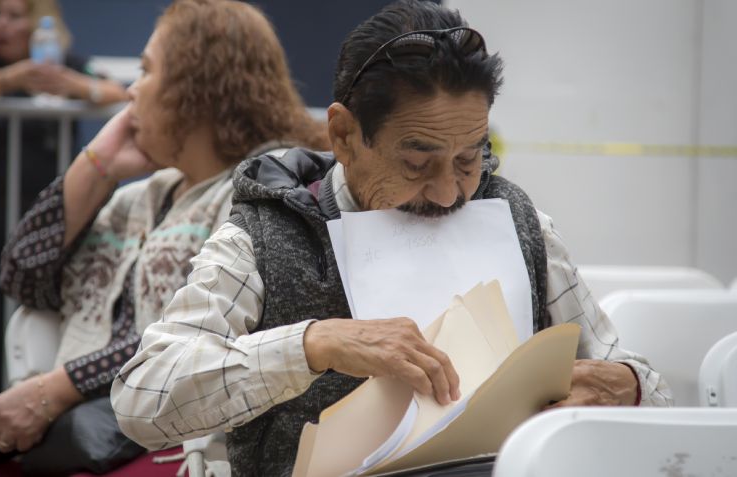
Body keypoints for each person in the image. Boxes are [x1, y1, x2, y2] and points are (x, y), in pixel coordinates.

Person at [110, 1, 674, 475]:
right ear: (344, 135)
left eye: (470, 157)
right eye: (417, 161)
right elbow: (142, 399)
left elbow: (647, 382)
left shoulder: (517, 221)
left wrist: (624, 387)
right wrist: (312, 345)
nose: (450, 192)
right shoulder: (264, 234)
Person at [0, 0, 328, 461]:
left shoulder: (256, 194)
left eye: (145, 72)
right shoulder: (144, 196)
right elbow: (22, 276)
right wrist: (96, 166)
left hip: (175, 451)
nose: (130, 92)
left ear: (193, 89)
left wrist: (56, 389)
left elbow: (177, 339)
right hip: (88, 445)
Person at [0, 0, 128, 391]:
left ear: (40, 23)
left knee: (41, 330)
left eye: (15, 16)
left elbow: (117, 92)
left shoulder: (66, 63)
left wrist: (73, 85)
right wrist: (12, 79)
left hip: (46, 228)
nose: (2, 25)